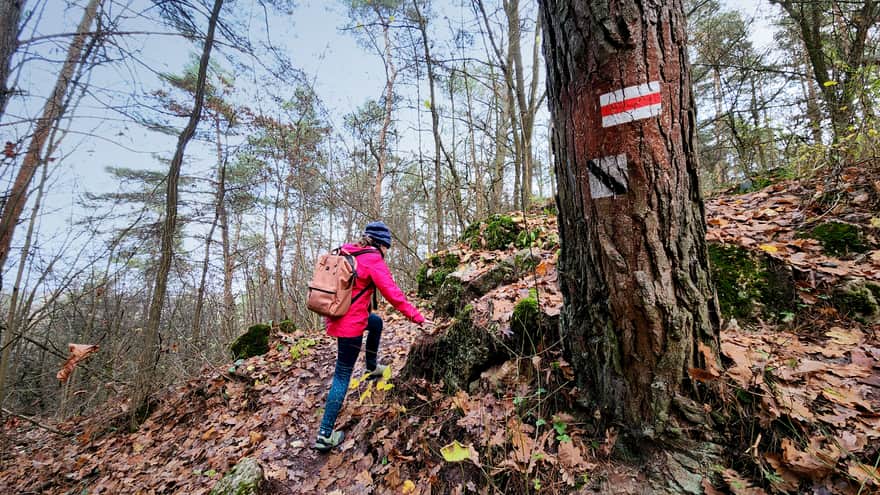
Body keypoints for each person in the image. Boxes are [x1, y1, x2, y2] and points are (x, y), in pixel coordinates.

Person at [313, 221, 428, 452]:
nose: (387, 252)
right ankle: (324, 435)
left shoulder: (347, 250)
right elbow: (393, 294)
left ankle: (371, 367)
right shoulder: (372, 259)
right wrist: (418, 318)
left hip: (337, 315)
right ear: (380, 244)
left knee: (375, 322)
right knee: (342, 374)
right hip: (350, 325)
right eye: (387, 247)